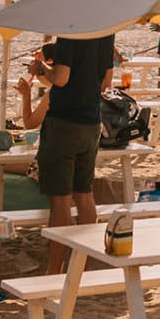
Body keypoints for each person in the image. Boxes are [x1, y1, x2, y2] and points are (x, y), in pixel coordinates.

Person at [32, 31, 115, 274]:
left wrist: (42, 69)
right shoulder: (106, 32)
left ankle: (54, 269)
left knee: (60, 201)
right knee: (84, 195)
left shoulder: (71, 33)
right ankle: (81, 266)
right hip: (91, 123)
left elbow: (61, 78)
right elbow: (106, 82)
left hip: (64, 123)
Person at [0, 43, 55, 219]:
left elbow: (30, 123)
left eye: (39, 63)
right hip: (59, 161)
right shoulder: (65, 89)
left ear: (49, 63)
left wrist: (26, 95)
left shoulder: (54, 93)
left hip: (49, 167)